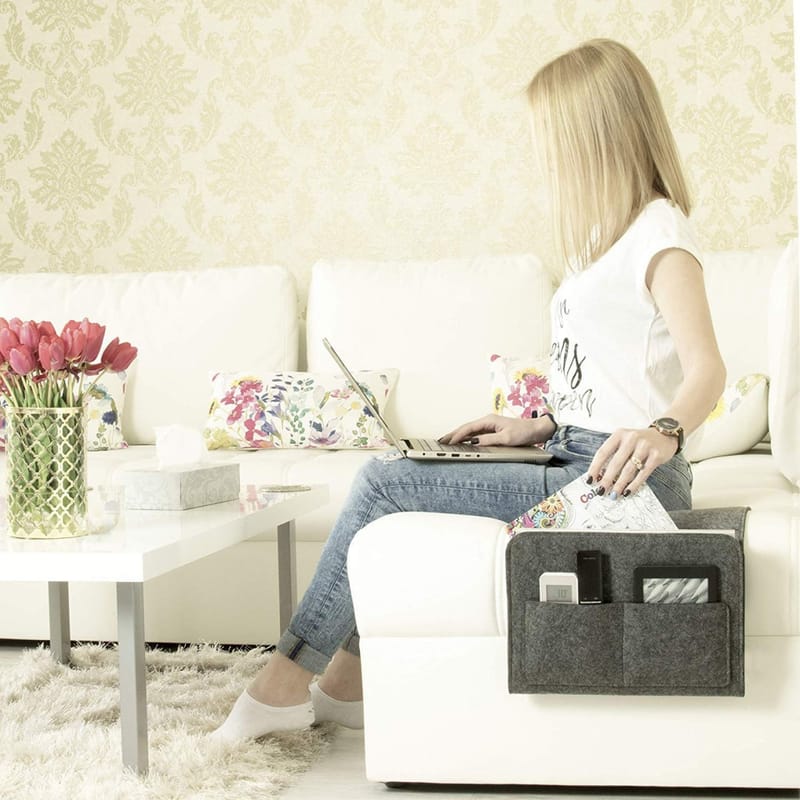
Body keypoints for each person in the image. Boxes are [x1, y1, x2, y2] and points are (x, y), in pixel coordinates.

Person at [211, 38, 726, 742]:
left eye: (553, 140)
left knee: (383, 482)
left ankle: (280, 688)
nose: (546, 159)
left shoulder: (661, 235)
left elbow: (707, 371)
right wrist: (540, 425)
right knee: (402, 477)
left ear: (594, 137)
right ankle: (344, 687)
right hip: (575, 452)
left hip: (628, 482)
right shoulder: (601, 245)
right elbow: (611, 376)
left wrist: (664, 433)